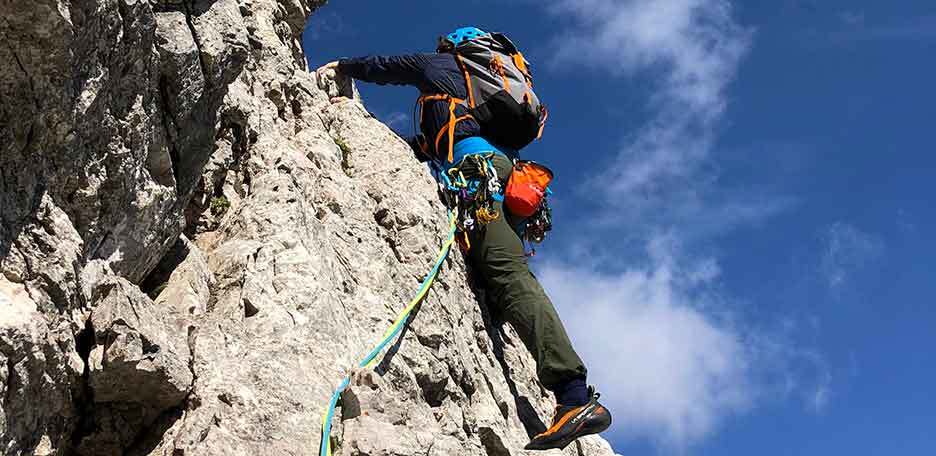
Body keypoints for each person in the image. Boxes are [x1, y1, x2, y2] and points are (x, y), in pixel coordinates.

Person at [316, 27, 611, 451]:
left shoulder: (442, 66)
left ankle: (573, 394)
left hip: (478, 176)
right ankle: (510, 322)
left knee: (509, 276)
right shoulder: (485, 90)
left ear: (451, 47)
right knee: (502, 273)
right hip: (504, 178)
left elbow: (385, 67)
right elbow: (446, 137)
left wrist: (342, 67)